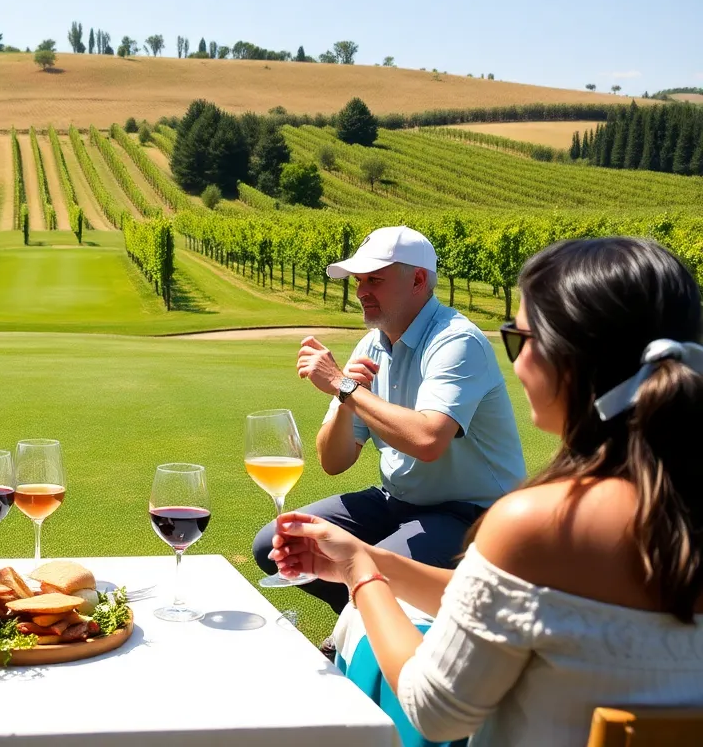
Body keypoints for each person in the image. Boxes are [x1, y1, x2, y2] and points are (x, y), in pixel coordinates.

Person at [271, 236, 703, 746]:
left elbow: (435, 713)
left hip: (462, 511)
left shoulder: (538, 521)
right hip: (402, 503)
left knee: (363, 634)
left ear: (568, 357)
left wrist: (360, 574)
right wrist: (367, 558)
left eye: (518, 340)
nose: (514, 365)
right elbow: (512, 600)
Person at [253, 226, 525, 620]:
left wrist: (343, 387)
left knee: (370, 573)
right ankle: (352, 619)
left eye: (375, 279)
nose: (362, 290)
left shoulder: (456, 340)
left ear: (417, 280)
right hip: (396, 501)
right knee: (276, 545)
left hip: (473, 516)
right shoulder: (373, 343)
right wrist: (347, 401)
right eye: (359, 280)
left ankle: (364, 627)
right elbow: (334, 461)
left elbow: (428, 440)